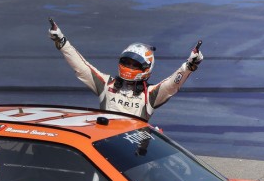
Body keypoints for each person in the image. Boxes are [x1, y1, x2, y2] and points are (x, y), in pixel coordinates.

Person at [49, 19, 203, 120]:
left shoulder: (150, 94)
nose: (129, 67)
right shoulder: (106, 84)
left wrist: (189, 66)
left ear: (146, 68)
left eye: (135, 65)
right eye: (126, 62)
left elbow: (172, 84)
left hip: (132, 153)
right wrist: (62, 42)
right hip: (104, 147)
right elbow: (81, 67)